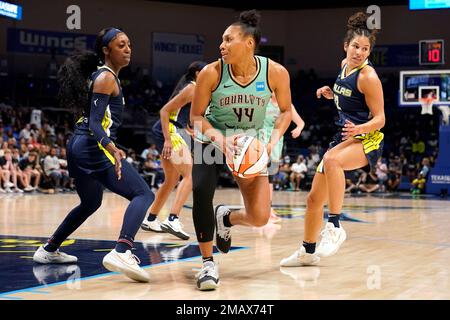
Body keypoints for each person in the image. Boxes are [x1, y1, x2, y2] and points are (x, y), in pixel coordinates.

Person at [32, 28, 155, 282]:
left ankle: (49, 249)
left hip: (78, 144)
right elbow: (96, 124)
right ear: (106, 51)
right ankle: (122, 250)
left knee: (91, 202)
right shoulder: (106, 78)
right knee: (143, 193)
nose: (128, 49)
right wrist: (111, 147)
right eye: (121, 45)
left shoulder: (104, 77)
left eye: (129, 44)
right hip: (91, 145)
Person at [190, 10, 292, 290]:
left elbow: (285, 112)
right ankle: (208, 263)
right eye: (221, 40)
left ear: (249, 43)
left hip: (249, 142)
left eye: (228, 39)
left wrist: (271, 141)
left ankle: (227, 216)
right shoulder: (211, 73)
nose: (221, 45)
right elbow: (196, 117)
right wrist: (220, 140)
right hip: (209, 139)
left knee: (259, 217)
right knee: (201, 191)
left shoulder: (275, 72)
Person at [281, 12, 385, 267]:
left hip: (367, 138)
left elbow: (381, 118)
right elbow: (349, 97)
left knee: (331, 160)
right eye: (355, 47)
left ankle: (336, 225)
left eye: (365, 49)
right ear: (345, 46)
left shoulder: (368, 76)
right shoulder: (343, 66)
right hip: (343, 137)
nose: (360, 52)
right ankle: (307, 251)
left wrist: (361, 128)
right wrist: (331, 94)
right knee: (314, 199)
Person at [141, 61, 207, 240]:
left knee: (171, 180)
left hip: (170, 129)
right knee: (190, 175)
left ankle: (151, 218)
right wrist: (168, 140)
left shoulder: (194, 89)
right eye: (206, 72)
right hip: (168, 130)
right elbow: (164, 111)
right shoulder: (192, 88)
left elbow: (179, 115)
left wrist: (188, 130)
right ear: (197, 73)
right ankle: (172, 218)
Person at [261, 93, 305, 222]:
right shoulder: (262, 100)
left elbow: (300, 122)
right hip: (260, 139)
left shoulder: (286, 105)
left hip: (276, 142)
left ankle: (268, 208)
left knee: (270, 177)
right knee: (260, 177)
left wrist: (299, 128)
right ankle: (261, 208)